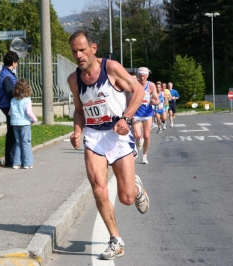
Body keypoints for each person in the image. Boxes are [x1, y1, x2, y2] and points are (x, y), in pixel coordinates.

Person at [67, 30, 149, 260]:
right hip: (94, 136)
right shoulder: (74, 80)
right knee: (98, 187)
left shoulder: (111, 68)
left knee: (126, 198)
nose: (78, 55)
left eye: (82, 50)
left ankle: (136, 186)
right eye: (74, 51)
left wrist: (126, 118)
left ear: (93, 48)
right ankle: (115, 240)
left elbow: (139, 90)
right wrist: (77, 130)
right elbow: (79, 110)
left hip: (117, 133)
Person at [131, 67, 160, 164]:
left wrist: (154, 101)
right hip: (136, 114)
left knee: (147, 135)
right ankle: (138, 142)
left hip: (147, 114)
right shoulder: (134, 84)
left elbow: (157, 98)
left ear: (147, 76)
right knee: (137, 135)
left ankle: (144, 156)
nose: (142, 78)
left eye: (144, 76)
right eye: (140, 76)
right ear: (138, 76)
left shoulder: (151, 85)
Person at [9, 78, 37, 169]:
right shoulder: (27, 100)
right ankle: (27, 163)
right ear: (27, 88)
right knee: (26, 142)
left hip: (15, 123)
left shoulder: (13, 100)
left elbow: (10, 112)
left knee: (18, 143)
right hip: (24, 123)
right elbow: (28, 112)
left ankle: (16, 163)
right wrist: (34, 119)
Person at [0, 51, 19, 167]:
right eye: (17, 62)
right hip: (8, 105)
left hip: (7, 105)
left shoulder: (7, 73)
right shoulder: (7, 75)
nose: (17, 65)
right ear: (13, 62)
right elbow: (10, 92)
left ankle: (11, 159)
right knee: (12, 132)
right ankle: (10, 160)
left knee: (12, 131)